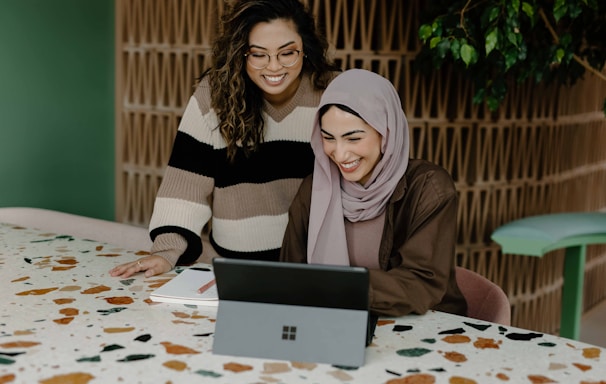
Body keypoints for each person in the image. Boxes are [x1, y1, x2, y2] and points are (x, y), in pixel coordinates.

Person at [110, 0, 339, 278]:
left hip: (315, 267)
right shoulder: (213, 96)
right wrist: (166, 252)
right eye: (259, 54)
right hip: (233, 270)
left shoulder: (333, 93)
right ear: (240, 53)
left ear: (306, 50)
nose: (274, 67)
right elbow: (185, 186)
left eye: (287, 53)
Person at [280, 69, 467, 317]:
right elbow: (289, 273)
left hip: (424, 328)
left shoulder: (429, 188)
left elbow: (421, 284)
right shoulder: (315, 189)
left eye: (353, 138)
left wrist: (337, 287)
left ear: (386, 131)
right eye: (329, 138)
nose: (340, 153)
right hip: (337, 324)